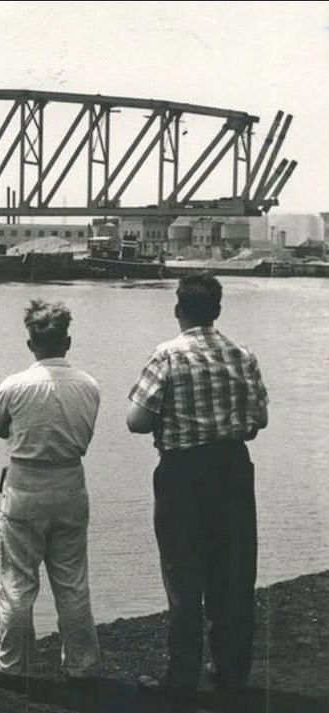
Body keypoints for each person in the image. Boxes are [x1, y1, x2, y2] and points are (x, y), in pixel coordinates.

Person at [126, 272, 268, 709]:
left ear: (178, 309)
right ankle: (231, 673)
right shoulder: (242, 355)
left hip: (182, 474)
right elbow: (259, 420)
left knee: (183, 575)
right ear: (218, 310)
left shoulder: (166, 356)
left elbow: (137, 421)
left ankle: (181, 676)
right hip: (232, 468)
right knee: (234, 572)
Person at [0, 299, 102, 684]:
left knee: (17, 581)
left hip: (25, 486)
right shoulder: (89, 385)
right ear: (68, 341)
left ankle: (12, 665)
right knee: (72, 581)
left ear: (31, 343)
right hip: (70, 483)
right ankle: (82, 665)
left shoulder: (15, 385)